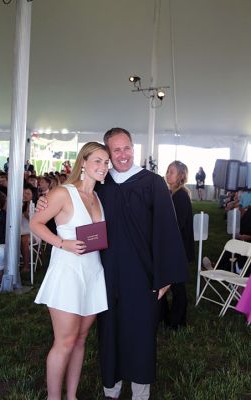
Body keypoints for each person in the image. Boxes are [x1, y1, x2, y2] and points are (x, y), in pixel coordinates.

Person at [36, 128, 188, 400]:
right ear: (104, 154)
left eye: (126, 148)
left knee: (141, 332)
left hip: (142, 275)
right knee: (110, 331)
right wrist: (42, 203)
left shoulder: (151, 183)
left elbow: (167, 230)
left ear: (134, 147)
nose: (121, 156)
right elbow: (60, 217)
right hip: (104, 275)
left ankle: (140, 390)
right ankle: (111, 387)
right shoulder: (102, 186)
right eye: (114, 151)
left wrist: (164, 277)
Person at [30, 142, 109, 400]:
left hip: (93, 272)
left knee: (80, 339)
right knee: (64, 342)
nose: (103, 166)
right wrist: (62, 243)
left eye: (106, 162)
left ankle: (72, 396)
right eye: (97, 160)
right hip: (68, 274)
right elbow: (36, 223)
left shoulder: (99, 196)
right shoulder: (64, 193)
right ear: (83, 163)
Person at [160, 161, 195, 329]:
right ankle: (168, 317)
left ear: (181, 176)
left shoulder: (180, 196)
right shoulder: (172, 194)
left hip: (178, 249)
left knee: (177, 286)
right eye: (167, 171)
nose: (168, 174)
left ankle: (177, 321)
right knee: (173, 284)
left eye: (171, 172)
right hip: (174, 248)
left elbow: (177, 224)